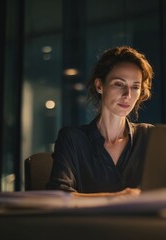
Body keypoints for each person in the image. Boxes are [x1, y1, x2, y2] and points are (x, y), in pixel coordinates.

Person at [46, 46, 154, 196]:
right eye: (119, 84)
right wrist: (115, 198)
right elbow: (58, 195)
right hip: (89, 220)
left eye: (135, 87)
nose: (127, 95)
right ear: (99, 85)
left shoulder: (148, 135)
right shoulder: (72, 139)